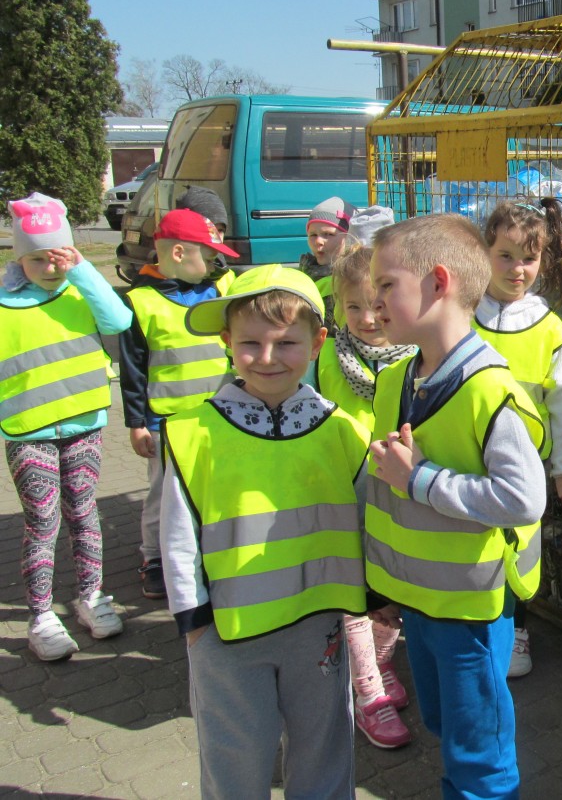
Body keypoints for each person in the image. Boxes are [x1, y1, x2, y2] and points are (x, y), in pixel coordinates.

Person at [160, 265, 370, 799]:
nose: (268, 357)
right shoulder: (192, 432)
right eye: (250, 343)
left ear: (318, 343)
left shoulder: (343, 431)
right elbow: (178, 532)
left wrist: (377, 595)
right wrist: (192, 619)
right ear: (226, 342)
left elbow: (368, 518)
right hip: (226, 632)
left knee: (323, 747)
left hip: (316, 624)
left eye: (287, 343)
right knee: (235, 754)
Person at [364, 214, 547, 799]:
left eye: (386, 284)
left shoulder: (489, 389)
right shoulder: (395, 379)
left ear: (438, 283)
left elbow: (523, 499)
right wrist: (380, 587)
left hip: (469, 610)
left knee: (479, 757)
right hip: (419, 601)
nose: (375, 300)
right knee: (447, 729)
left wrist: (420, 479)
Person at [2, 194, 132, 660]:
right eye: (37, 258)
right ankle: (40, 616)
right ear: (19, 257)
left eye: (57, 257)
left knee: (83, 512)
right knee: (42, 521)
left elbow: (119, 320)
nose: (49, 268)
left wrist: (82, 270)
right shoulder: (4, 305)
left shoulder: (80, 289)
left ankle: (91, 597)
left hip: (84, 424)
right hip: (28, 431)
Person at [474, 199, 562, 679]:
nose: (517, 269)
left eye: (529, 258)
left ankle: (517, 630)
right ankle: (476, 624)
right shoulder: (463, 314)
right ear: (484, 253)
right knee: (473, 545)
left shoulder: (549, 328)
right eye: (505, 255)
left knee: (521, 549)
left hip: (526, 463)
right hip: (469, 456)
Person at [314, 245, 416, 749]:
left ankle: (379, 660)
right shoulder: (325, 356)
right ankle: (368, 691)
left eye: (377, 305)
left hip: (396, 498)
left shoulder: (416, 357)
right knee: (353, 596)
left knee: (391, 590)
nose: (367, 318)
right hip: (341, 497)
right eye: (353, 306)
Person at [119, 208, 238, 600]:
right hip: (166, 423)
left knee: (213, 488)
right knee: (163, 495)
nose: (215, 264)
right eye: (209, 256)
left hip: (218, 417)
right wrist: (136, 423)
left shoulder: (220, 289)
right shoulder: (139, 302)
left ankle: (207, 552)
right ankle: (154, 559)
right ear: (177, 253)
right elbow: (133, 370)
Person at [301, 196, 357, 331]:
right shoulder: (305, 274)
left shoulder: (353, 280)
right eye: (313, 235)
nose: (318, 241)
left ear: (349, 238)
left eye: (328, 234)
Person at [175, 186, 234, 292]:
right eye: (208, 230)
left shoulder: (227, 276)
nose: (216, 238)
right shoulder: (162, 281)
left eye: (220, 230)